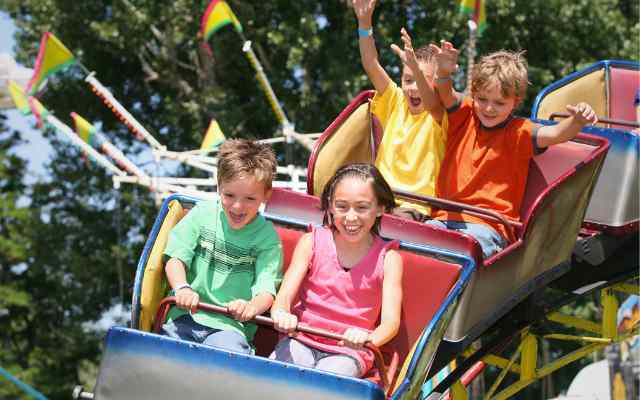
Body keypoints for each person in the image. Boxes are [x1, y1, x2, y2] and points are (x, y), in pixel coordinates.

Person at [426, 43, 598, 258]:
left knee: (458, 255)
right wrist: (442, 72)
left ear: (515, 102)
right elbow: (446, 91)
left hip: (488, 226)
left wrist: (577, 120)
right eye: (482, 99)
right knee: (408, 246)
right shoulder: (464, 115)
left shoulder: (520, 132)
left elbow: (556, 134)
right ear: (473, 94)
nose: (489, 108)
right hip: (444, 217)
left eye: (499, 102)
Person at [269, 163, 403, 377]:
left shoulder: (389, 259)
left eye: (361, 207)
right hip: (302, 337)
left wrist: (368, 339)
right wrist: (281, 314)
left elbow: (390, 322)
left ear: (380, 208)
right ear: (330, 206)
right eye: (342, 207)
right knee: (279, 374)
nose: (351, 217)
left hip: (350, 350)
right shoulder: (311, 242)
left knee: (330, 382)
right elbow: (283, 297)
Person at [161, 139, 283, 354]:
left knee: (229, 357)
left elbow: (266, 288)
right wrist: (182, 287)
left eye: (249, 198)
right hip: (185, 316)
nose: (237, 206)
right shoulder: (201, 214)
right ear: (219, 187)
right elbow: (176, 258)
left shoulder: (267, 238)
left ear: (266, 195)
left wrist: (250, 307)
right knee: (164, 353)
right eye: (229, 195)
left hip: (229, 327)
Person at [352, 0, 446, 221]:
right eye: (408, 79)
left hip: (415, 209)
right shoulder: (395, 100)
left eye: (421, 80)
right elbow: (371, 64)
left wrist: (418, 68)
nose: (413, 88)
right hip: (377, 200)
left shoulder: (440, 114)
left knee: (387, 221)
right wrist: (364, 23)